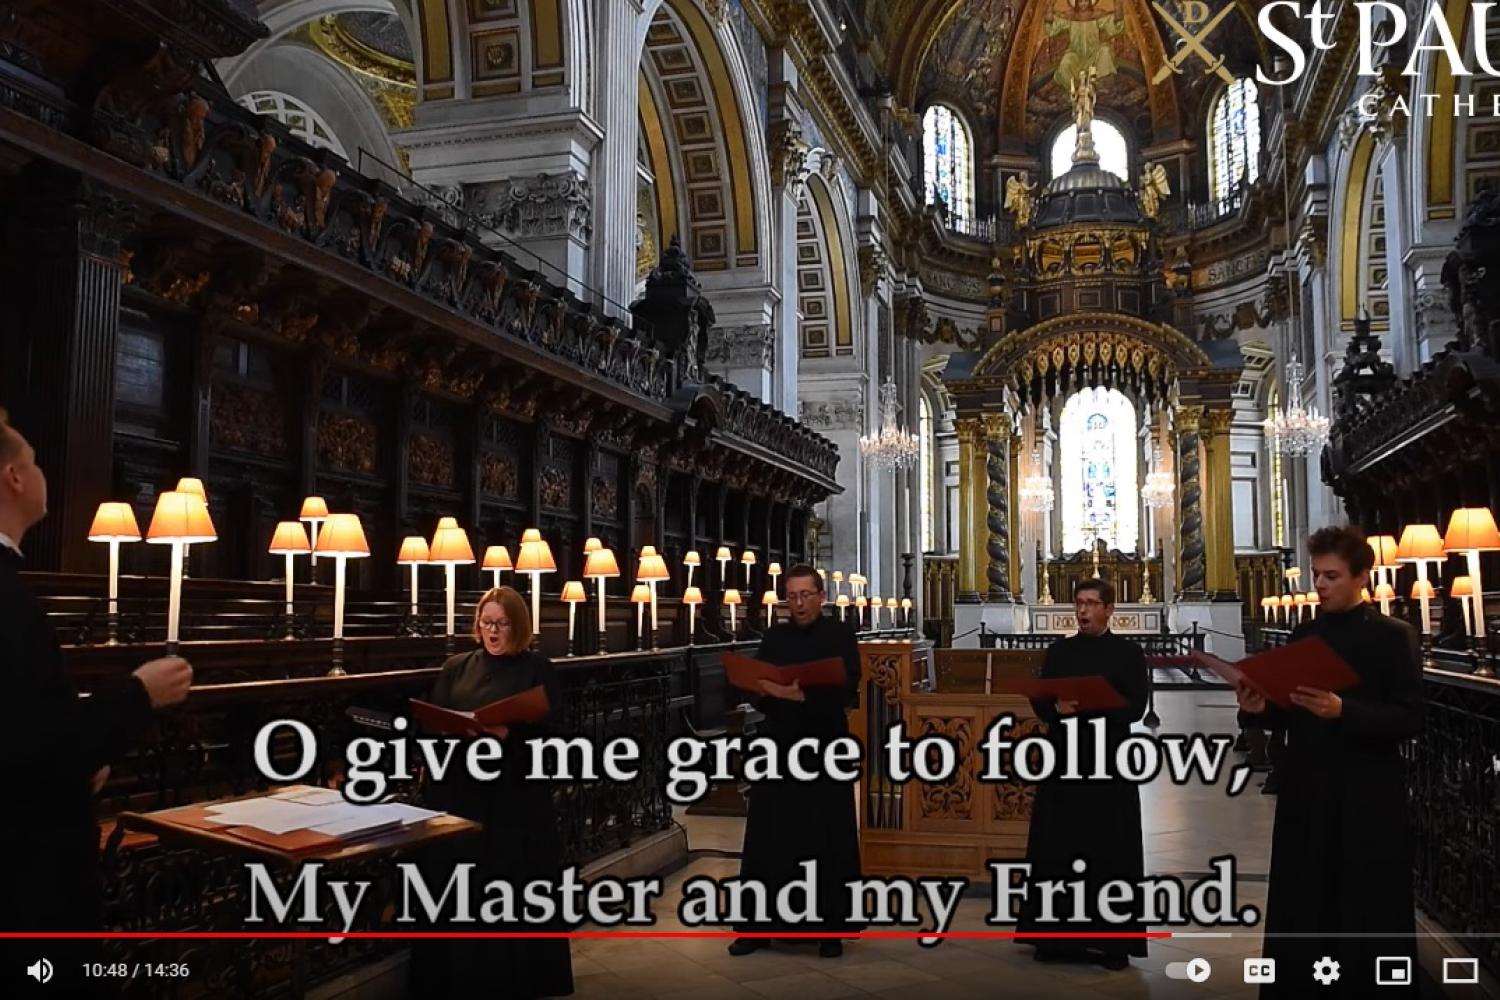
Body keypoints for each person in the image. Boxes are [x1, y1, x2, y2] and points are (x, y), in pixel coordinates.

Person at [0, 408, 193, 966]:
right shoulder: (6, 599)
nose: (43, 475)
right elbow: (32, 746)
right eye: (35, 463)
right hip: (26, 884)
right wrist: (139, 693)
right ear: (14, 478)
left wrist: (81, 755)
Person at [1236, 526, 1422, 997]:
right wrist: (1261, 709)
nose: (1319, 584)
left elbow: (1409, 718)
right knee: (1305, 890)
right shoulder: (1305, 633)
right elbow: (1290, 705)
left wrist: (1346, 711)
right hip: (1308, 783)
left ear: (1362, 576)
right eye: (1317, 574)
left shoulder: (1393, 637)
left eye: (1332, 576)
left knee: (1365, 894)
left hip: (1367, 789)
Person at [409, 585, 574, 998]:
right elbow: (435, 723)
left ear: (517, 626)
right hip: (460, 793)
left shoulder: (537, 668)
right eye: (486, 623)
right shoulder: (455, 666)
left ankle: (513, 980)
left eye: (501, 623)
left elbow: (555, 737)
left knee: (508, 885)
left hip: (513, 799)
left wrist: (507, 734)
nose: (492, 631)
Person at [728, 564, 862, 959]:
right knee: (770, 835)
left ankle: (829, 929)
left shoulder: (839, 633)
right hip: (780, 744)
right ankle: (756, 927)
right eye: (792, 596)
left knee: (825, 835)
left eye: (806, 595)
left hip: (823, 745)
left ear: (821, 596)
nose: (799, 603)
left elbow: (848, 684)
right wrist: (774, 693)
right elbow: (754, 683)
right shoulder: (776, 635)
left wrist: (803, 697)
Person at [1016, 577, 1148, 971]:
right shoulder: (1059, 651)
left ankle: (1112, 942)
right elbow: (1042, 701)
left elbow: (1136, 706)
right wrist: (1056, 711)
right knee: (1058, 844)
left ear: (1109, 609)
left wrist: (1095, 707)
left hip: (1109, 763)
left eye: (1092, 603)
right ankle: (1056, 937)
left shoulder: (1128, 654)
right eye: (1079, 603)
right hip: (1066, 761)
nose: (1083, 611)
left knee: (1110, 847)